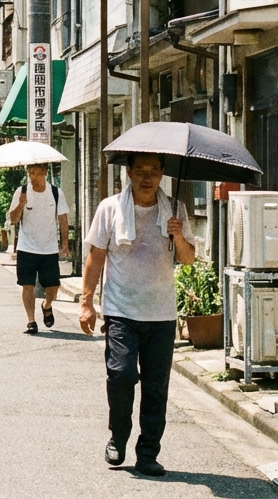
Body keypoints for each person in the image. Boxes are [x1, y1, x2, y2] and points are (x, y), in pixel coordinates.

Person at [78, 153, 196, 478]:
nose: (147, 178)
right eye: (140, 171)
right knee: (121, 374)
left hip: (161, 313)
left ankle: (148, 453)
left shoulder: (176, 210)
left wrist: (178, 236)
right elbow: (96, 256)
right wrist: (87, 302)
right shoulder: (110, 208)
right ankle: (118, 436)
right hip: (120, 310)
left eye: (154, 171)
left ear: (162, 174)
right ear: (128, 172)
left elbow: (187, 259)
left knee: (156, 387)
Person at [6, 164, 70, 334]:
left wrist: (65, 243)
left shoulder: (55, 193)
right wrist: (20, 204)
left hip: (48, 248)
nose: (33, 177)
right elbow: (12, 220)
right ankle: (31, 321)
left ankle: (46, 305)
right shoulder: (22, 192)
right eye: (31, 173)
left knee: (53, 286)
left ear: (45, 173)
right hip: (26, 247)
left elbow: (63, 219)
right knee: (27, 285)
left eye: (37, 173)